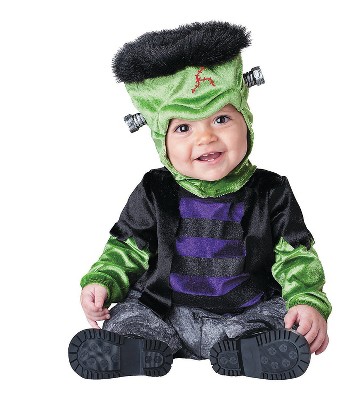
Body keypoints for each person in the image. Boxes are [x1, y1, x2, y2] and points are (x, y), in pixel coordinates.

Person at [68, 21, 331, 381]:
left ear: (245, 118)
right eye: (183, 128)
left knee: (281, 315)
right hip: (165, 312)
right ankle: (139, 347)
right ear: (161, 139)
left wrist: (307, 302)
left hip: (245, 313)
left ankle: (247, 349)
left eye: (221, 118)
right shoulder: (154, 190)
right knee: (127, 315)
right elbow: (126, 248)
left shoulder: (271, 191)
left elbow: (295, 256)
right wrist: (102, 281)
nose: (206, 138)